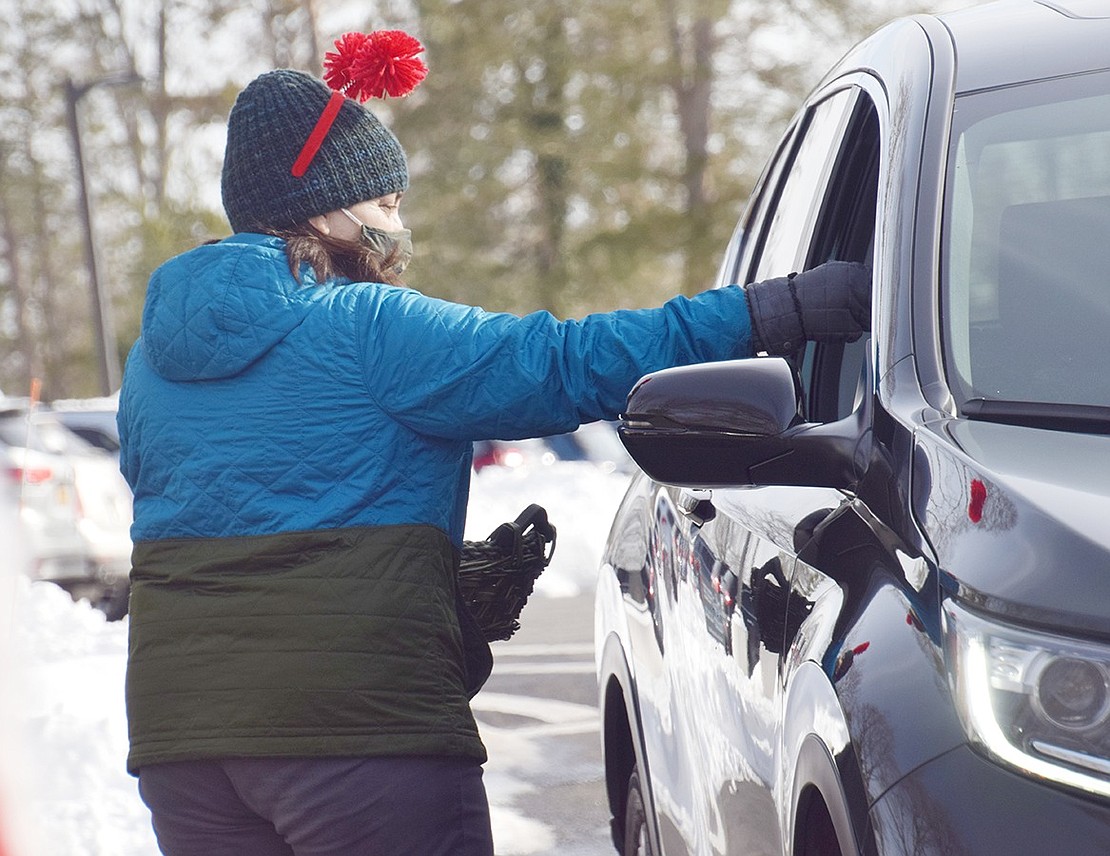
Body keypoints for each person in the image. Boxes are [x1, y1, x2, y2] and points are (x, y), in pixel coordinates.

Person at [117, 29, 869, 856]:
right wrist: (770, 314)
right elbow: (562, 363)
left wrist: (426, 584)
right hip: (357, 733)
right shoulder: (370, 327)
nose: (397, 225)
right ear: (320, 205)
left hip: (180, 740)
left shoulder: (152, 362)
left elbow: (224, 506)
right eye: (385, 203)